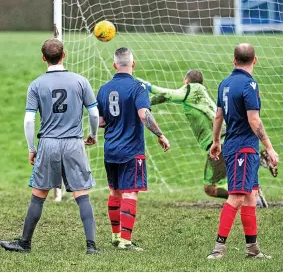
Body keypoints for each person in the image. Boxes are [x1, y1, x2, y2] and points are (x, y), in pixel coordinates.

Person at [0, 39, 100, 254]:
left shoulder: (36, 85)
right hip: (74, 143)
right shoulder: (81, 81)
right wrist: (92, 134)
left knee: (38, 195)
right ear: (64, 55)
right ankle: (91, 246)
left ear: (43, 58)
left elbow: (28, 120)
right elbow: (93, 112)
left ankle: (24, 243)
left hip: (48, 144)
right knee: (82, 194)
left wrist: (31, 148)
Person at [137, 71, 277, 204]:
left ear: (186, 81)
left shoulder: (191, 90)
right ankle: (257, 167)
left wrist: (146, 87)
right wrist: (144, 104)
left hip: (218, 145)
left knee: (210, 188)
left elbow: (168, 94)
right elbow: (165, 96)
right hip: (229, 139)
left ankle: (251, 196)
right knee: (234, 173)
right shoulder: (200, 94)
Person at [207, 43, 279, 259]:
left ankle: (252, 249)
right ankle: (218, 248)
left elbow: (218, 115)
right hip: (243, 150)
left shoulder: (225, 83)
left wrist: (216, 141)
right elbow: (254, 118)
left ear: (234, 60)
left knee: (250, 196)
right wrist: (270, 147)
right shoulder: (250, 85)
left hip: (236, 147)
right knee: (237, 196)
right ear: (254, 60)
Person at [97, 47, 170, 251]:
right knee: (130, 194)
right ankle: (126, 242)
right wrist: (160, 135)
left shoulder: (104, 88)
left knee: (114, 191)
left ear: (114, 65)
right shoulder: (138, 87)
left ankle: (115, 235)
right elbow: (144, 114)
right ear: (133, 64)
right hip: (131, 150)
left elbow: (100, 121)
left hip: (110, 149)